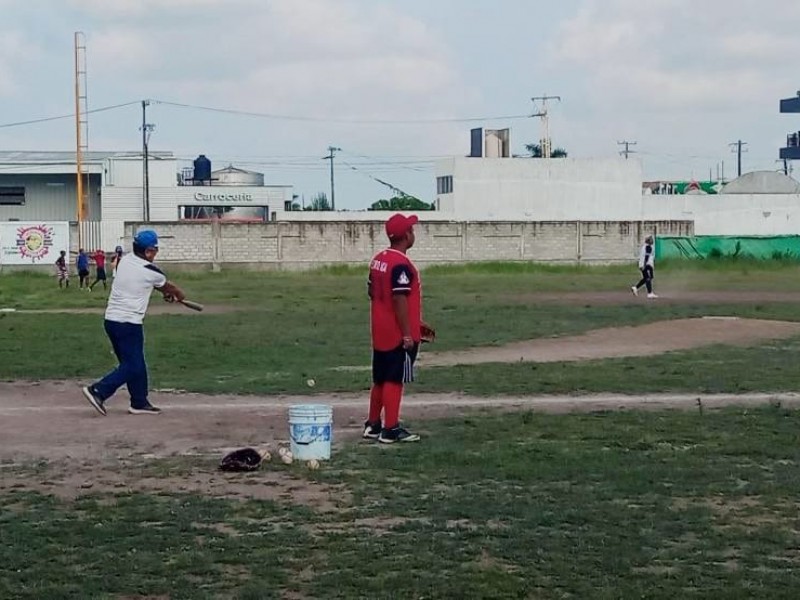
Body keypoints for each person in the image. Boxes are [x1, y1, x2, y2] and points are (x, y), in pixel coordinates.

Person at [82, 230, 186, 416]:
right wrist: (178, 295)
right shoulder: (152, 271)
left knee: (135, 362)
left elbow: (151, 283)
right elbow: (167, 286)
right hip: (128, 324)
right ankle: (98, 390)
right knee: (133, 365)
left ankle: (139, 402)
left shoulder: (126, 260)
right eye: (155, 250)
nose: (156, 253)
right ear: (147, 251)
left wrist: (165, 293)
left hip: (112, 321)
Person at [363, 213, 432, 444]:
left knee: (380, 378)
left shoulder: (378, 259)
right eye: (411, 230)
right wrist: (406, 332)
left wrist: (415, 322)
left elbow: (372, 291)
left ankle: (373, 424)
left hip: (380, 330)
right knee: (394, 379)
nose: (414, 233)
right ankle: (390, 428)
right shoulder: (401, 264)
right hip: (397, 334)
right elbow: (400, 299)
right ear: (406, 236)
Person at [631, 235, 657, 299]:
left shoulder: (645, 246)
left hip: (644, 264)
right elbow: (647, 256)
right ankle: (650, 293)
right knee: (648, 278)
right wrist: (645, 265)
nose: (652, 240)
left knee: (647, 278)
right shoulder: (648, 247)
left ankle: (635, 288)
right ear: (649, 241)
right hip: (647, 264)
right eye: (651, 239)